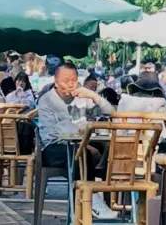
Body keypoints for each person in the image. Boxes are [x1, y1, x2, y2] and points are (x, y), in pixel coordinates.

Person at [38, 61, 117, 219]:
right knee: (81, 154)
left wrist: (93, 96)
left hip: (81, 144)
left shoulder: (82, 96)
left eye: (73, 80)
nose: (70, 85)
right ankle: (90, 201)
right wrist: (84, 143)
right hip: (53, 148)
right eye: (65, 81)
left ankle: (105, 199)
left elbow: (111, 113)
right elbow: (54, 134)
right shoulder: (47, 100)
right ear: (56, 81)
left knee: (109, 151)